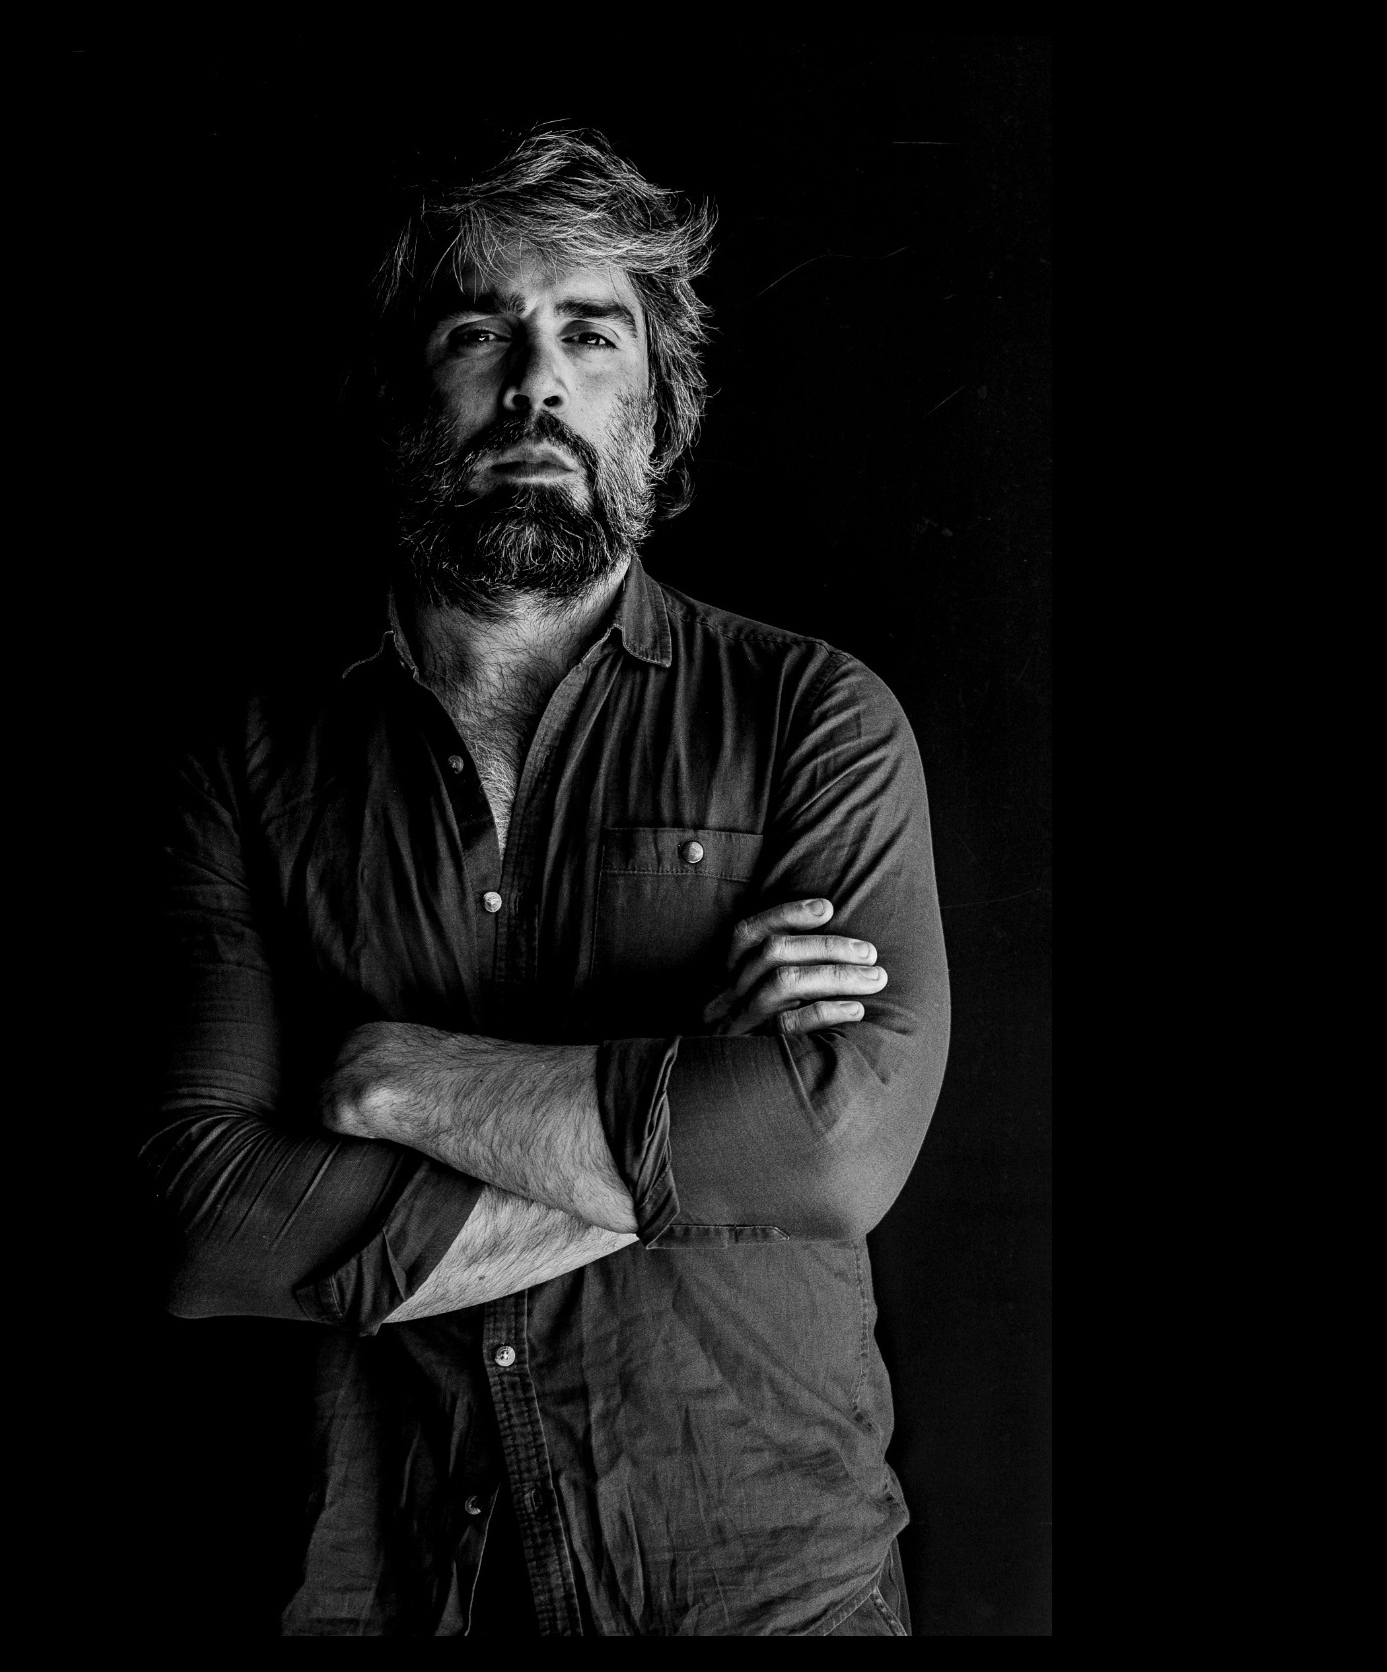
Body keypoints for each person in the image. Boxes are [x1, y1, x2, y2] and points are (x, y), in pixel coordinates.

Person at [145, 127, 949, 1636]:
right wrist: (703, 1090)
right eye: (478, 332)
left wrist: (396, 1081)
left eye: (592, 334)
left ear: (658, 411)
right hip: (375, 1585)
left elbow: (837, 1153)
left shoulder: (811, 719)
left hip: (754, 1588)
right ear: (402, 394)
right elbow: (209, 1228)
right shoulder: (243, 761)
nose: (536, 382)